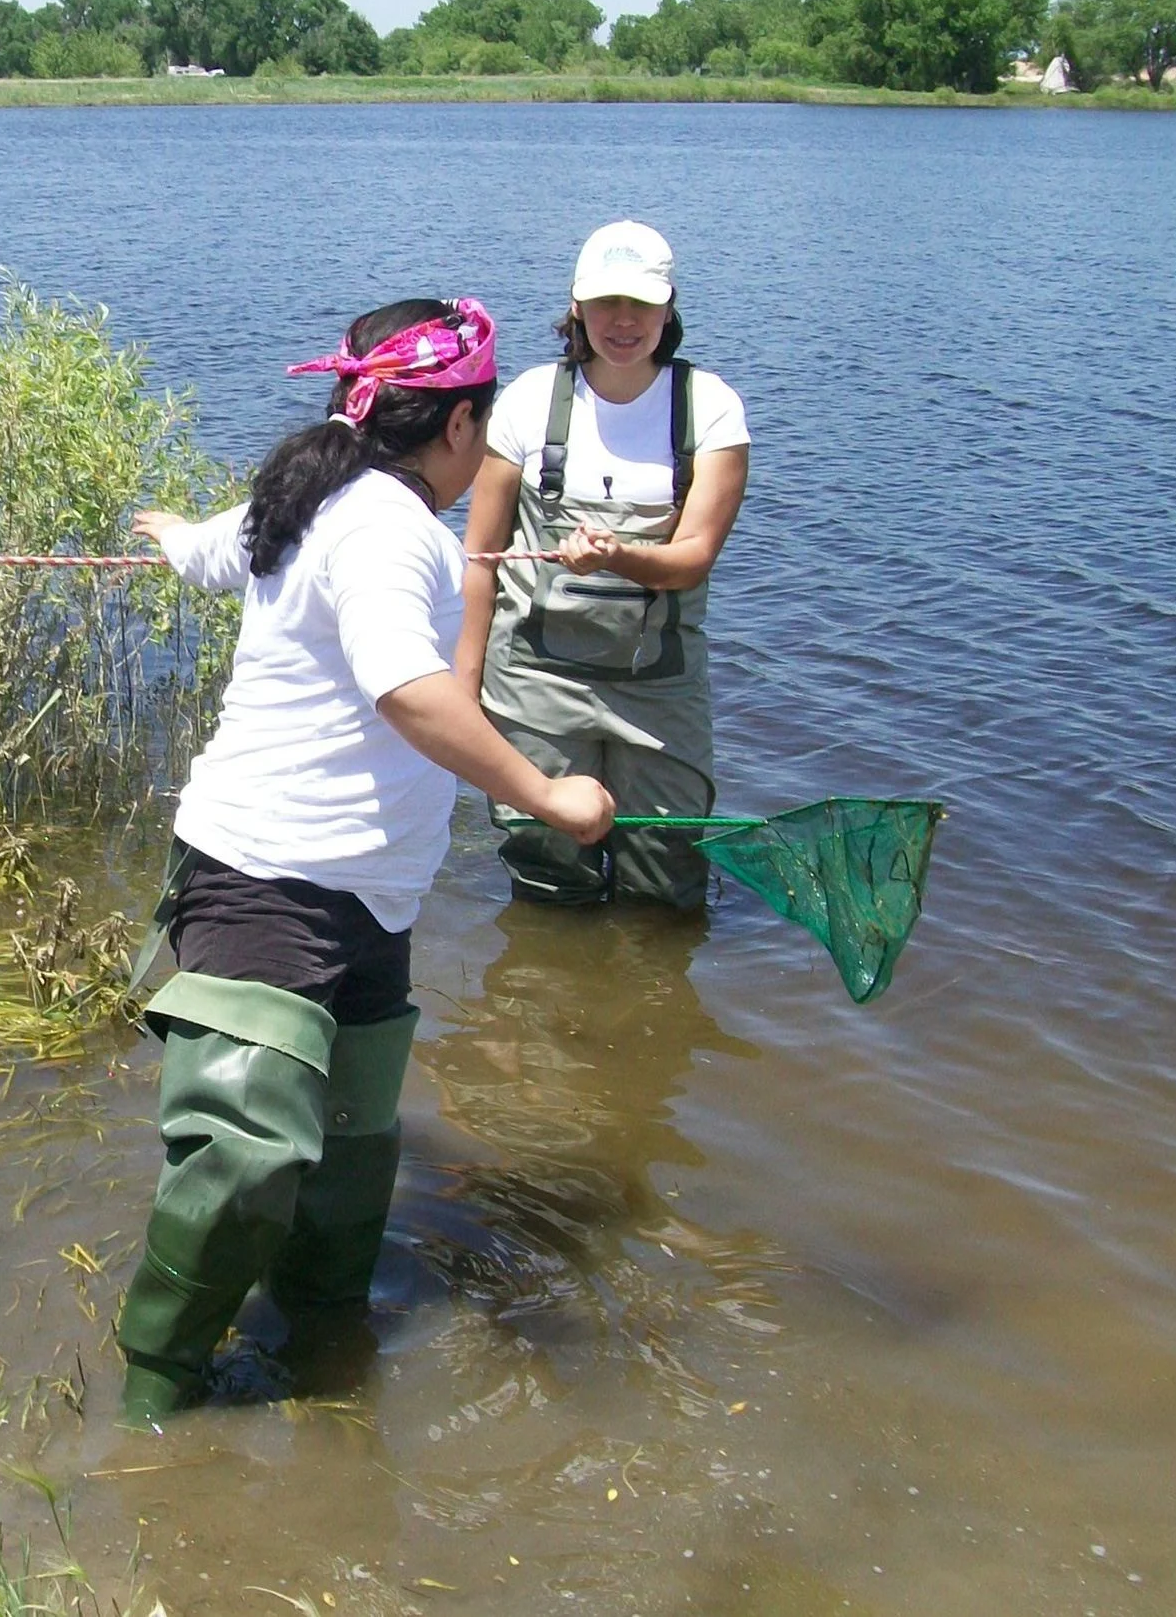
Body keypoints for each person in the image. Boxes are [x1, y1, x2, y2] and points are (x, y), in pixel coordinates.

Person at [117, 297, 617, 1423]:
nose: (482, 451)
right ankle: (154, 1395)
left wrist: (168, 536)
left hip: (370, 898)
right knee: (244, 1156)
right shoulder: (388, 526)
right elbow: (409, 690)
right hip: (261, 874)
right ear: (455, 429)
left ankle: (325, 1356)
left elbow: (213, 550)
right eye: (481, 430)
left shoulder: (315, 494)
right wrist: (546, 795)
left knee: (348, 1156)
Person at [456, 222, 749, 907]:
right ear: (576, 307)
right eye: (606, 302)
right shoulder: (528, 401)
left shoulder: (710, 409)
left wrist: (617, 554)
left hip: (660, 685)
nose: (624, 321)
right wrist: (463, 688)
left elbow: (693, 559)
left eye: (642, 304)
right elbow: (480, 559)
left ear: (669, 308)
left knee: (668, 880)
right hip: (534, 681)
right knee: (545, 869)